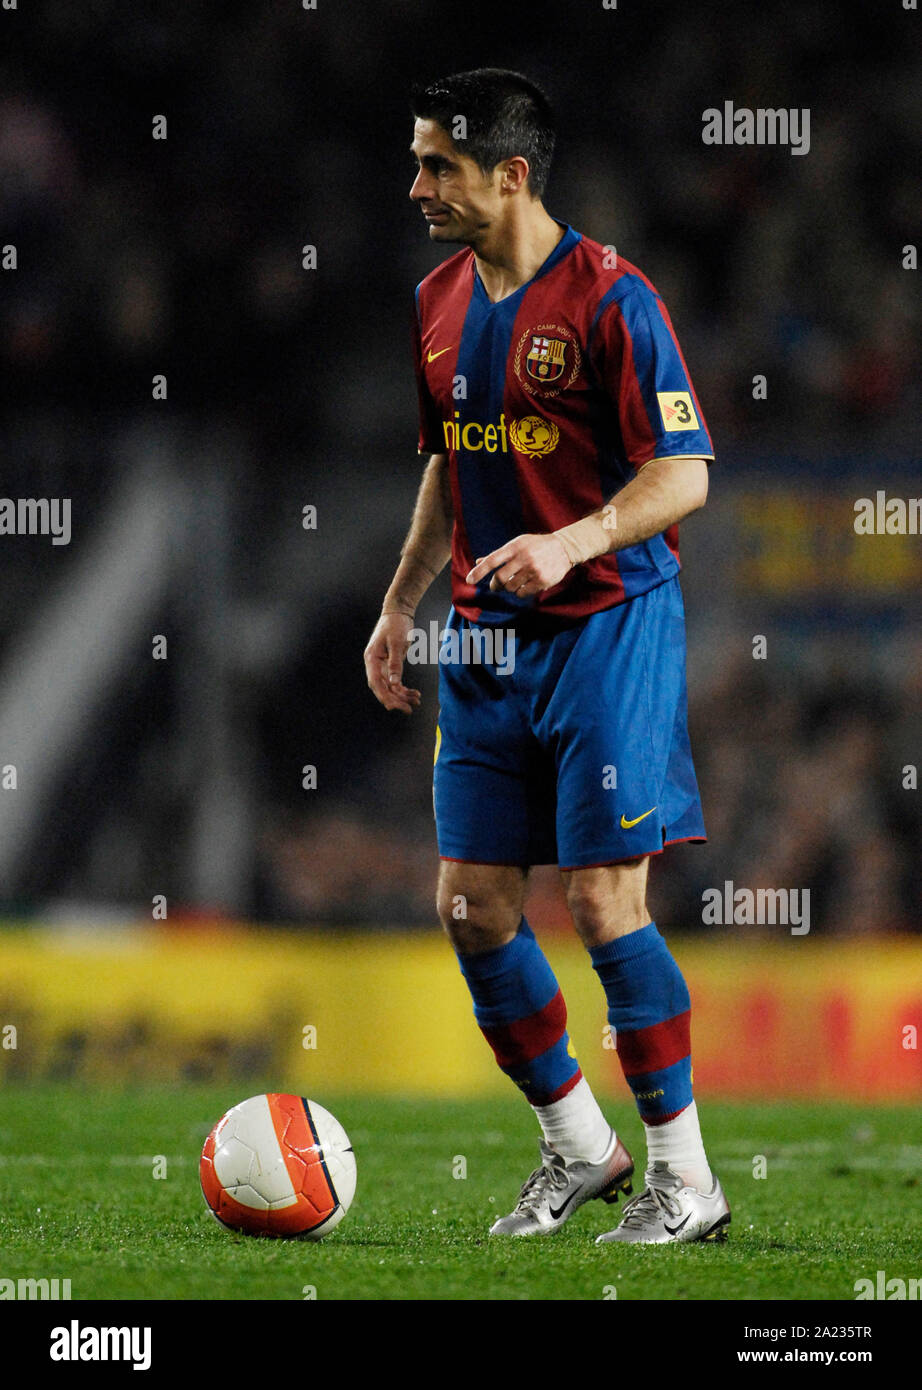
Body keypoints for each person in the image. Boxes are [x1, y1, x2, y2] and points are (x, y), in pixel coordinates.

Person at [364, 68, 730, 1245]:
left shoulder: (615, 301)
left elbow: (685, 474)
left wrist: (572, 541)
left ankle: (688, 1180)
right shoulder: (432, 299)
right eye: (419, 160)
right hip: (479, 636)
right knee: (471, 904)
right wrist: (397, 602)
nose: (417, 184)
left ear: (509, 174)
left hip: (607, 625)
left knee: (601, 898)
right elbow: (449, 460)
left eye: (438, 165)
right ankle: (580, 1146)